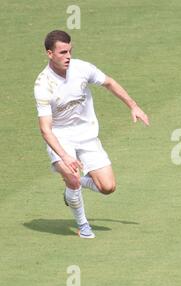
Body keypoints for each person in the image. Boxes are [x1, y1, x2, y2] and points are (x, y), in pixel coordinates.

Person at [34, 30, 149, 239]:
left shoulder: (81, 68)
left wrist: (134, 106)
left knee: (108, 187)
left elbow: (109, 83)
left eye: (70, 51)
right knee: (72, 176)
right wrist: (66, 156)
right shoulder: (43, 85)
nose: (68, 56)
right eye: (62, 52)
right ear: (49, 54)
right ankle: (83, 224)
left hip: (87, 136)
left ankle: (72, 189)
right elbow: (45, 129)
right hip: (60, 138)